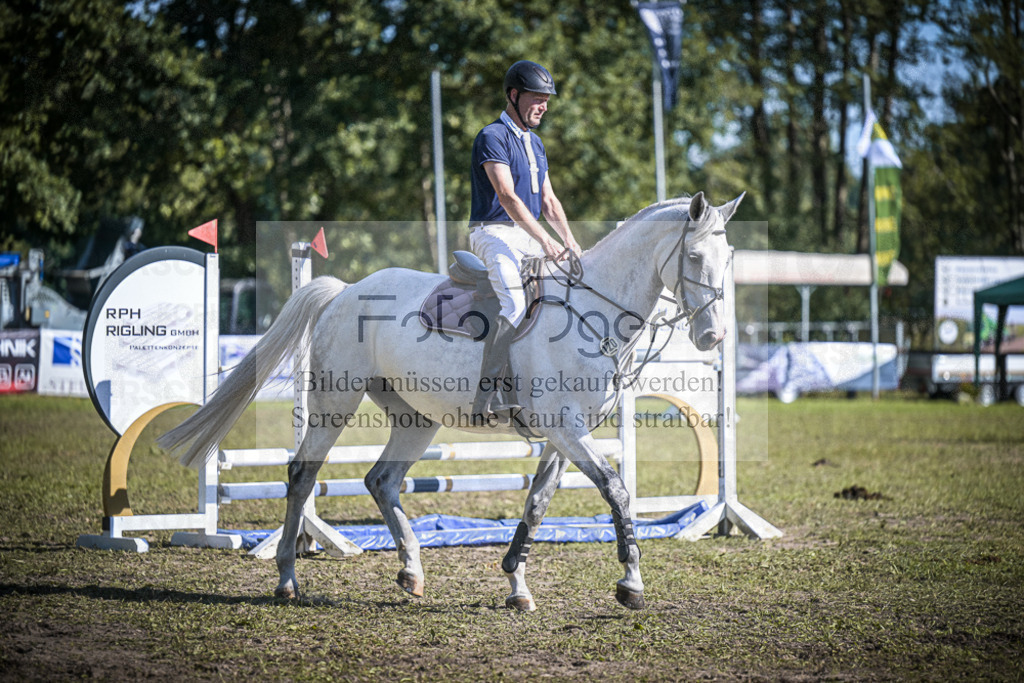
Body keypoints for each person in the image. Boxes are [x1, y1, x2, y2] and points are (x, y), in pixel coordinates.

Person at [468, 60, 582, 422]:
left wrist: (570, 241)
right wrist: (547, 242)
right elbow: (507, 197)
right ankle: (489, 397)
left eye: (547, 100)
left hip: (527, 233)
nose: (544, 106)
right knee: (516, 305)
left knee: (570, 291)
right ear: (514, 96)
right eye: (537, 98)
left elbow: (548, 200)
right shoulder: (493, 136)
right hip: (493, 232)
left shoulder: (536, 144)